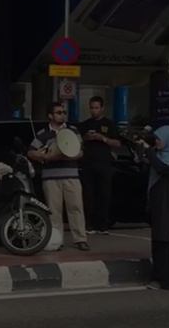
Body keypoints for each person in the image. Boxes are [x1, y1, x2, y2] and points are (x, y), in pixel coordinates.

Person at [28, 102, 89, 251]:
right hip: (50, 178)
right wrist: (43, 156)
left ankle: (80, 239)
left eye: (63, 112)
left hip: (71, 176)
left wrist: (68, 155)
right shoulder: (42, 134)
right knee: (54, 211)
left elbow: (80, 151)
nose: (62, 115)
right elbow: (30, 151)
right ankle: (57, 240)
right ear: (50, 115)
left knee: (76, 208)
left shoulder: (73, 131)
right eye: (59, 112)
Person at [79, 96, 121, 235]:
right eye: (91, 108)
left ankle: (102, 225)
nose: (94, 110)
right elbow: (77, 142)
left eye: (96, 108)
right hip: (87, 164)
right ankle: (89, 225)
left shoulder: (109, 124)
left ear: (102, 108)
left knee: (104, 194)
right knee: (88, 195)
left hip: (104, 164)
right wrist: (86, 138)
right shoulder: (85, 124)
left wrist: (102, 138)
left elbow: (117, 143)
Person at [147, 125, 169, 290]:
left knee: (166, 240)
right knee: (163, 239)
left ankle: (164, 280)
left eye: (159, 138)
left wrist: (149, 152)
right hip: (161, 204)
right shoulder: (162, 155)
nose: (157, 141)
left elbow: (162, 169)